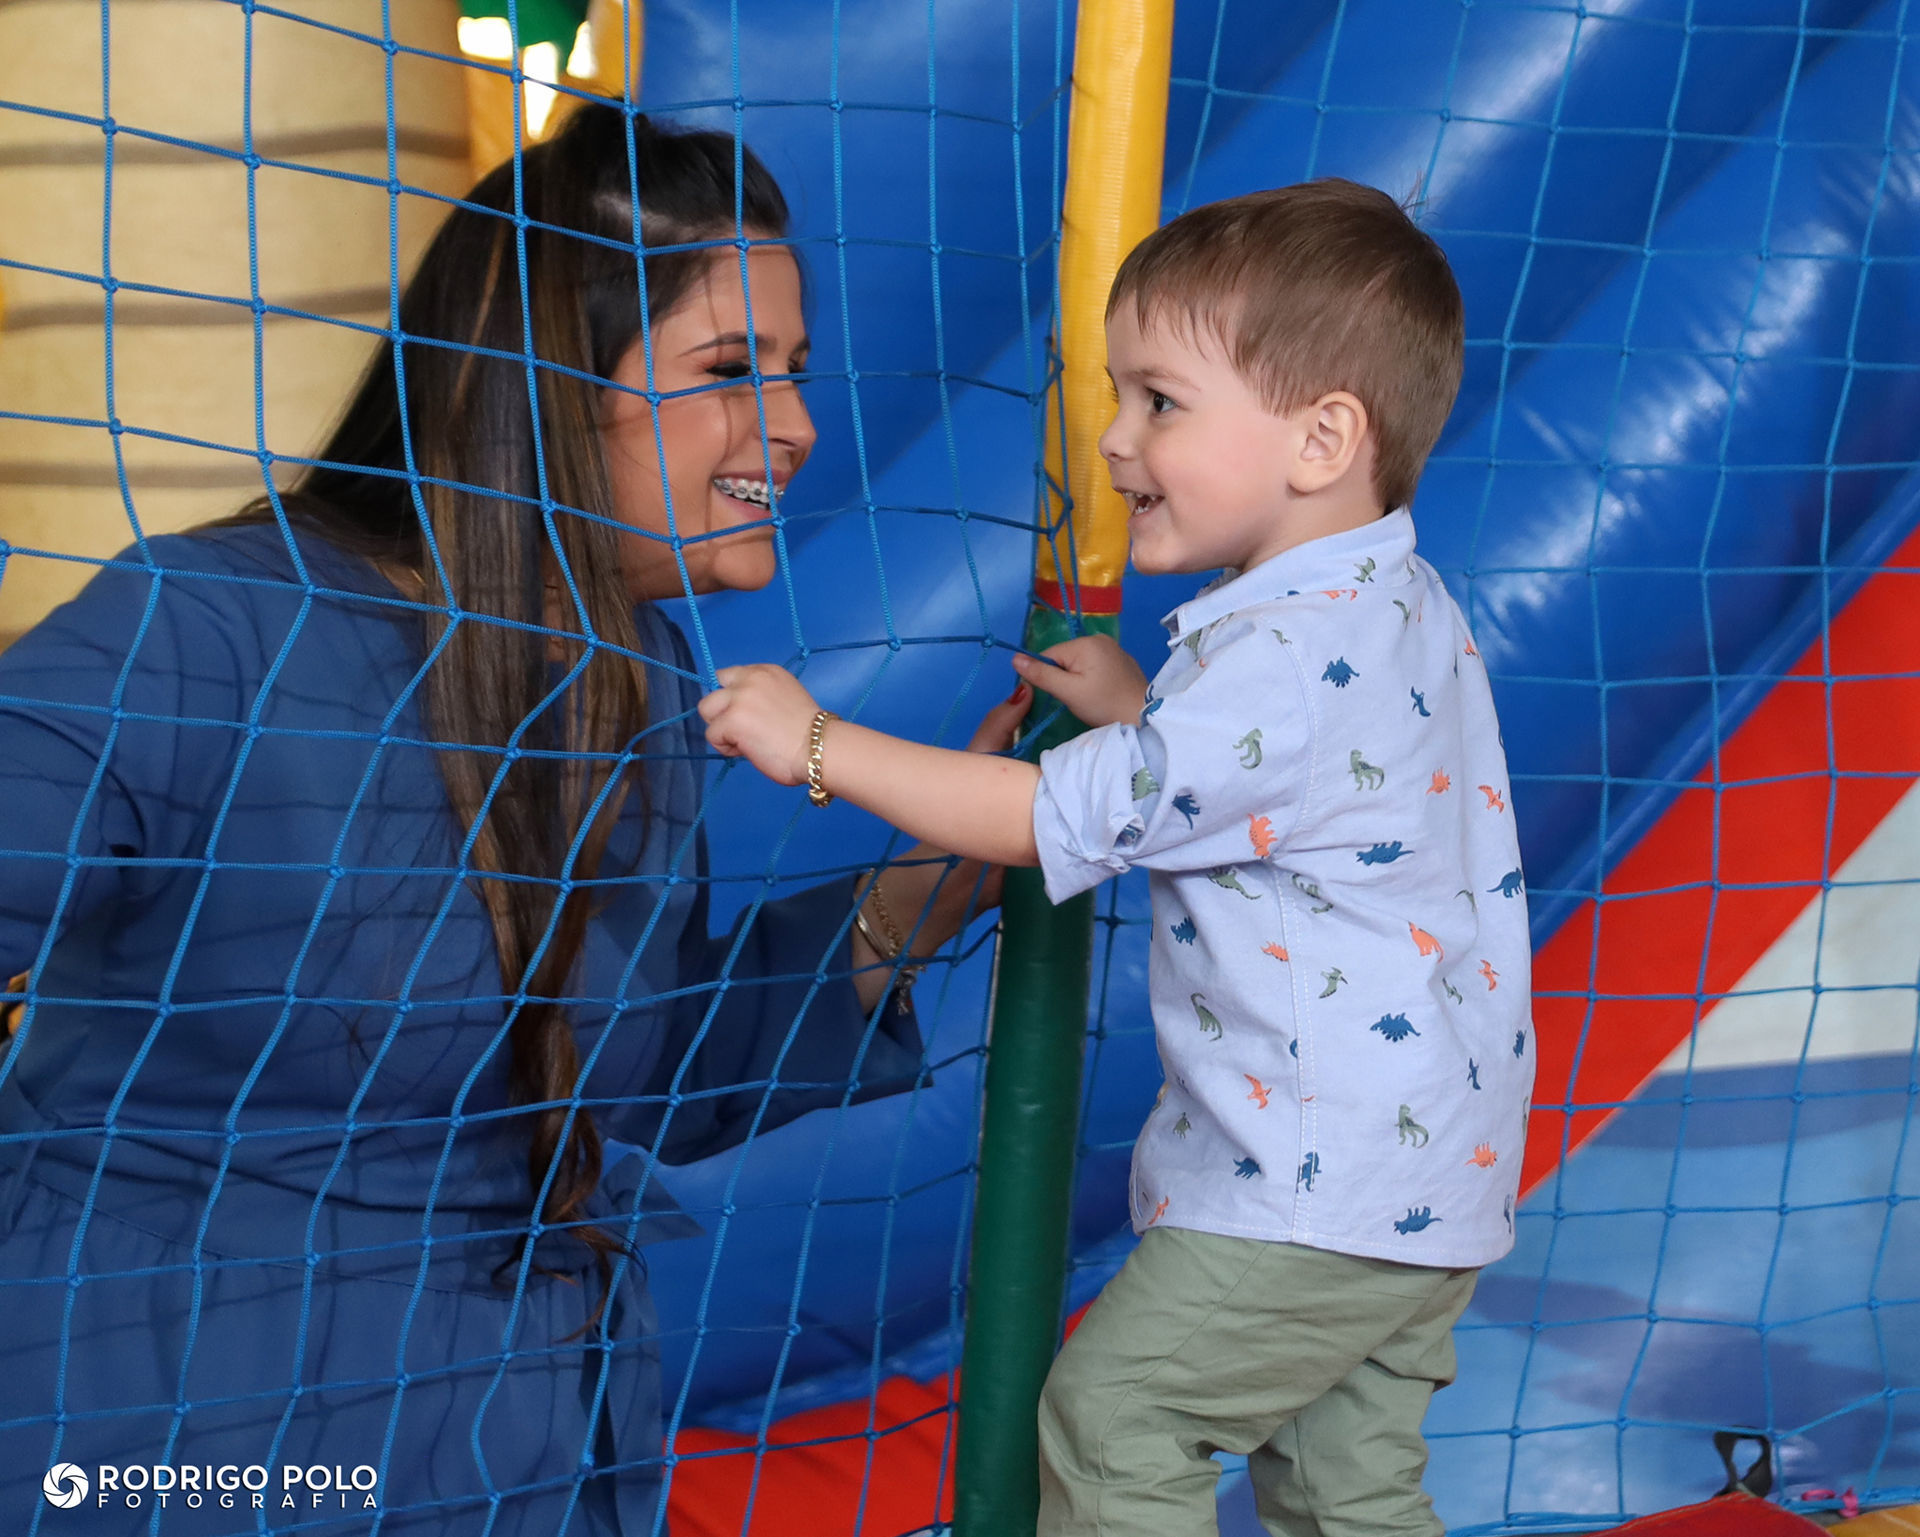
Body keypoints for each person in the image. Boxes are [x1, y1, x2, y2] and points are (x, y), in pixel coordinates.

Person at [0, 103, 1025, 1534]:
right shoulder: (217, 621)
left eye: (795, 371)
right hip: (188, 1432)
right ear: (550, 381)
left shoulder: (642, 678)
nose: (792, 427)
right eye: (733, 371)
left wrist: (920, 895)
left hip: (520, 1441)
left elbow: (616, 1070)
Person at [702, 180, 1533, 1536]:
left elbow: (1042, 818)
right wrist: (1152, 715)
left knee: (1116, 1423)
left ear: (1323, 437)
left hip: (1310, 1192)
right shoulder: (1392, 600)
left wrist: (818, 740)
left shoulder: (1275, 659)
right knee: (1346, 1487)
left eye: (1161, 401)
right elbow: (1323, 796)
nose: (1112, 436)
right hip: (1425, 1186)